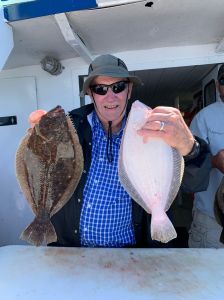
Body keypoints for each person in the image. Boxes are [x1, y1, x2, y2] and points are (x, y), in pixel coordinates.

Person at [51, 54, 211, 248]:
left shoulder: (154, 127)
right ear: (91, 94)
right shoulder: (67, 128)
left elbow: (196, 183)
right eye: (100, 89)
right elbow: (44, 171)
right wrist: (37, 140)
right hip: (73, 251)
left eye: (118, 87)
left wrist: (189, 146)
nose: (110, 97)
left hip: (131, 254)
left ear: (129, 89)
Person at [188, 64, 224, 248]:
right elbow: (188, 167)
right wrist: (214, 161)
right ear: (218, 86)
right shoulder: (204, 118)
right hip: (212, 221)